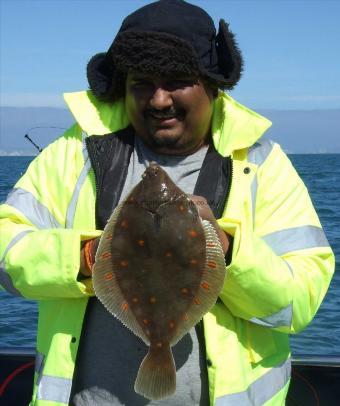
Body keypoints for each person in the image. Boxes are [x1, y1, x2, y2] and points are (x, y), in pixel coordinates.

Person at [0, 0, 334, 405]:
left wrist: (226, 250)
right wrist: (89, 257)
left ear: (212, 84)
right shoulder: (75, 154)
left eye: (177, 80)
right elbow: (6, 252)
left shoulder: (262, 166)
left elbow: (298, 305)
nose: (159, 100)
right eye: (141, 83)